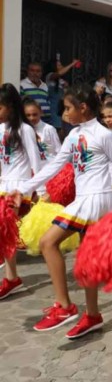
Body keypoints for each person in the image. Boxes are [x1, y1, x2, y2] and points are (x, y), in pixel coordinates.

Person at [11, 83, 112, 338]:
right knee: (86, 258)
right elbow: (55, 165)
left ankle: (65, 307)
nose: (64, 113)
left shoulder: (103, 135)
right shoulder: (73, 135)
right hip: (85, 198)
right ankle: (92, 315)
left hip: (97, 199)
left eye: (68, 108)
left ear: (83, 108)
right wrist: (25, 187)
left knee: (48, 242)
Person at [0, 83, 42, 300]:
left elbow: (36, 161)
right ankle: (11, 277)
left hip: (19, 188)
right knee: (4, 233)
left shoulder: (25, 130)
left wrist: (39, 191)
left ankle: (11, 278)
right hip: (3, 186)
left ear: (10, 106)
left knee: (5, 231)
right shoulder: (0, 129)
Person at [23, 98, 61, 166]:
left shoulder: (49, 129)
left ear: (41, 112)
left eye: (34, 114)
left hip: (49, 168)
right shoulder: (23, 131)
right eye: (28, 115)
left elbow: (59, 151)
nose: (31, 118)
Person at [45, 58, 79, 130]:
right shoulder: (49, 76)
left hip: (60, 110)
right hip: (53, 109)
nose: (61, 66)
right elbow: (59, 73)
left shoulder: (61, 81)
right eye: (59, 65)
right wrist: (72, 64)